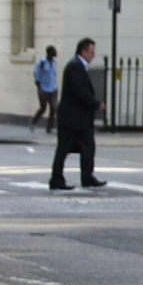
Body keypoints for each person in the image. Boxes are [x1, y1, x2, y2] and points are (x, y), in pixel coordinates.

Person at [49, 38, 107, 191]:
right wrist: (96, 104)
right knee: (64, 149)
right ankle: (57, 179)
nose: (93, 55)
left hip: (78, 119)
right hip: (72, 119)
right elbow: (80, 91)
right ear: (84, 51)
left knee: (87, 147)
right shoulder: (75, 67)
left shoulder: (78, 66)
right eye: (92, 52)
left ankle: (87, 176)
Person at [31, 45, 58, 133]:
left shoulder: (55, 62)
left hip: (53, 88)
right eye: (54, 51)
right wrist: (39, 87)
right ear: (49, 53)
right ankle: (33, 122)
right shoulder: (42, 63)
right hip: (44, 89)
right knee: (43, 108)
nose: (56, 53)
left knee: (53, 108)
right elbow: (37, 75)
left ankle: (49, 127)